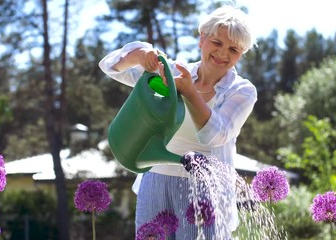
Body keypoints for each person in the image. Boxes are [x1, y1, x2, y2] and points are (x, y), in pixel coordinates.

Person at [99, 5, 257, 239]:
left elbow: (216, 134)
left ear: (241, 53)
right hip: (155, 179)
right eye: (216, 43)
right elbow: (112, 67)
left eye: (233, 49)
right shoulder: (173, 72)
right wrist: (140, 56)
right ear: (201, 39)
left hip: (204, 188)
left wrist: (189, 92)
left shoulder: (242, 91)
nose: (223, 54)